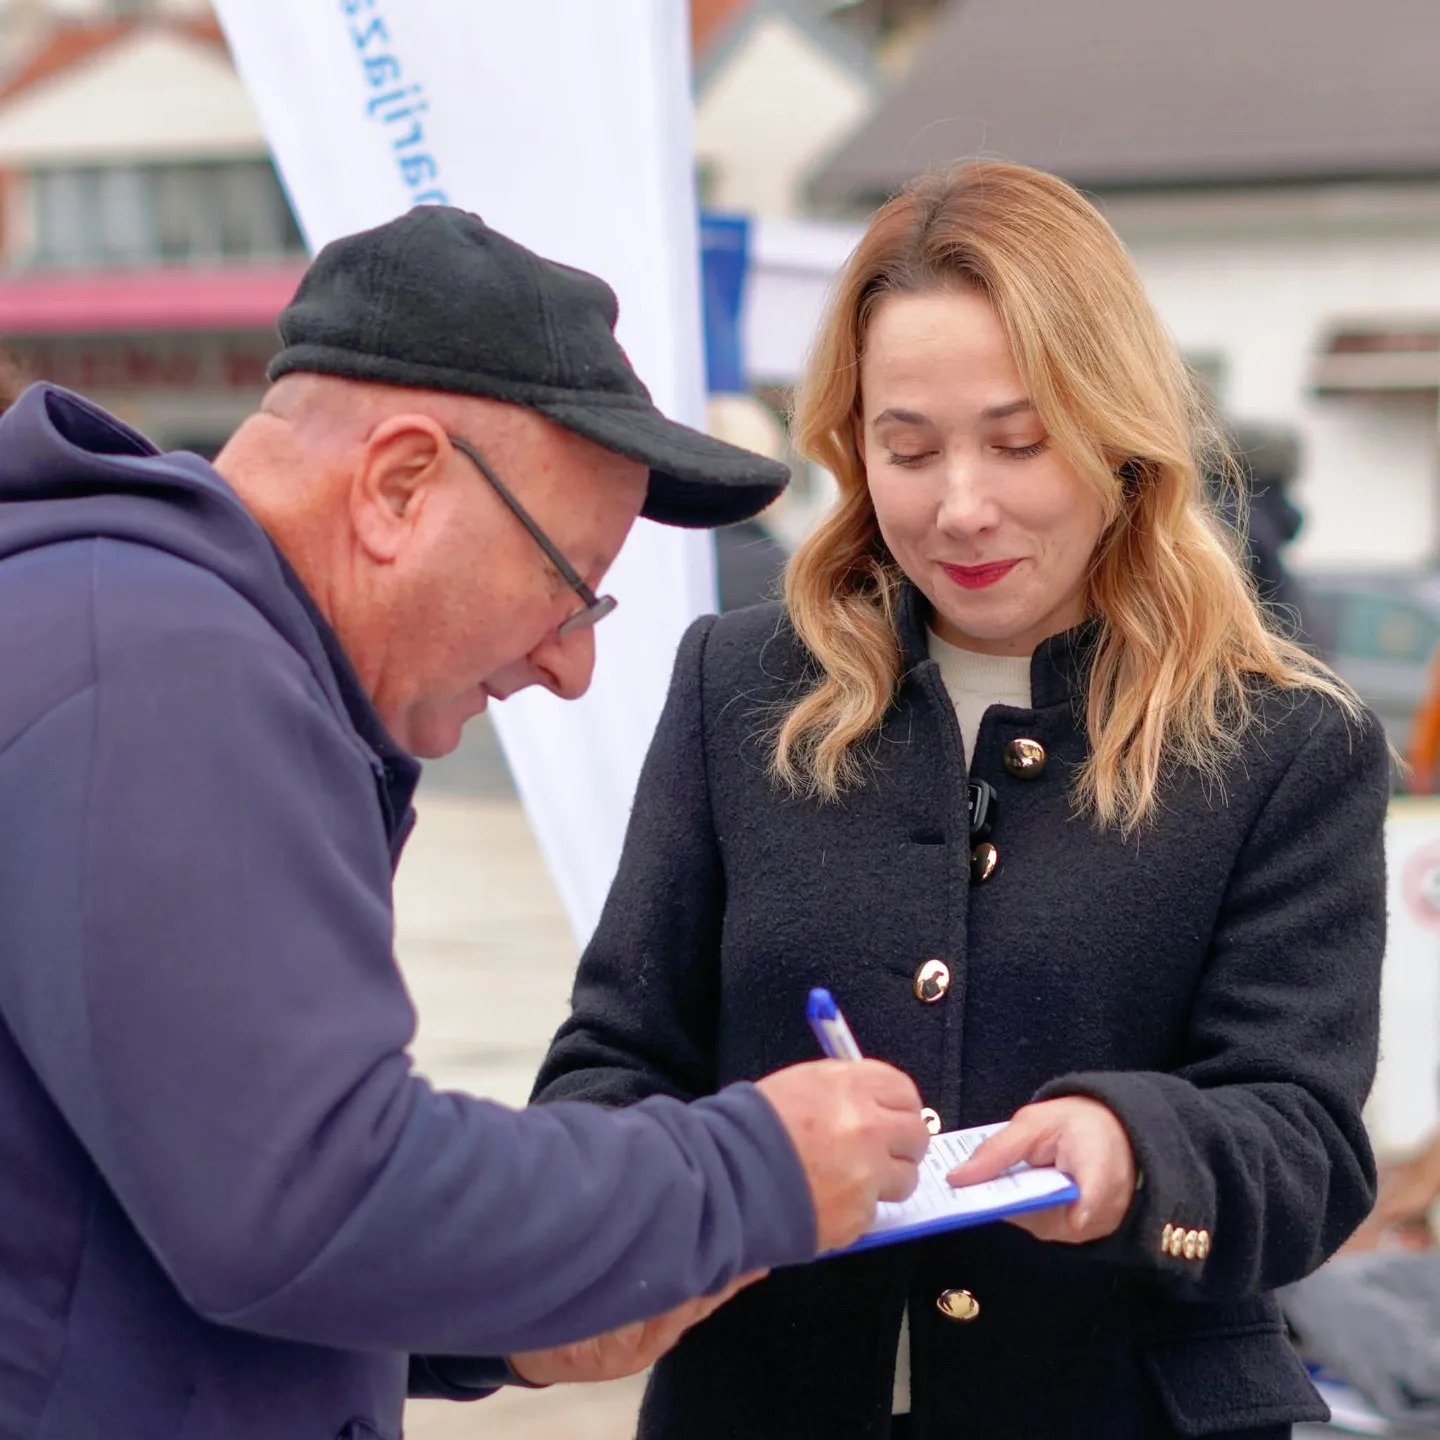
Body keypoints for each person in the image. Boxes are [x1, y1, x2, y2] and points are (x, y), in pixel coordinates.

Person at [0, 207, 931, 1440]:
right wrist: (753, 1169)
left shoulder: (140, 638)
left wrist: (495, 1328)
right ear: (397, 485)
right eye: (567, 584)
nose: (571, 667)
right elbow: (308, 1195)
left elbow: (154, 1230)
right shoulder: (168, 667)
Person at [531, 161, 1391, 1439]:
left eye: (1019, 440)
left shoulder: (1281, 738)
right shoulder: (738, 686)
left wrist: (1132, 1146)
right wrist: (722, 1171)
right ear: (849, 445)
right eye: (909, 449)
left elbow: (1306, 1144)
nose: (961, 505)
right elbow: (611, 1064)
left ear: (1117, 428)